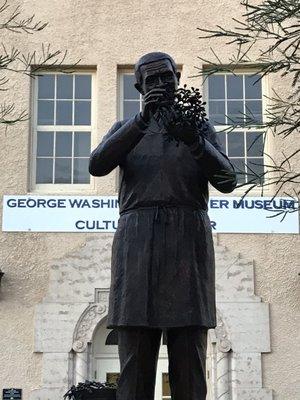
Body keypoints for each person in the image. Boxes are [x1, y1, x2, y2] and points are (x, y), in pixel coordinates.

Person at [89, 52, 237, 400]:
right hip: (136, 244)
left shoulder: (196, 128)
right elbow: (97, 165)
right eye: (151, 80)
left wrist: (194, 141)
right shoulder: (126, 129)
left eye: (166, 77)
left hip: (188, 242)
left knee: (189, 363)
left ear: (176, 79)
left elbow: (228, 179)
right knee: (135, 367)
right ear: (139, 86)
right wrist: (141, 121)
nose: (160, 85)